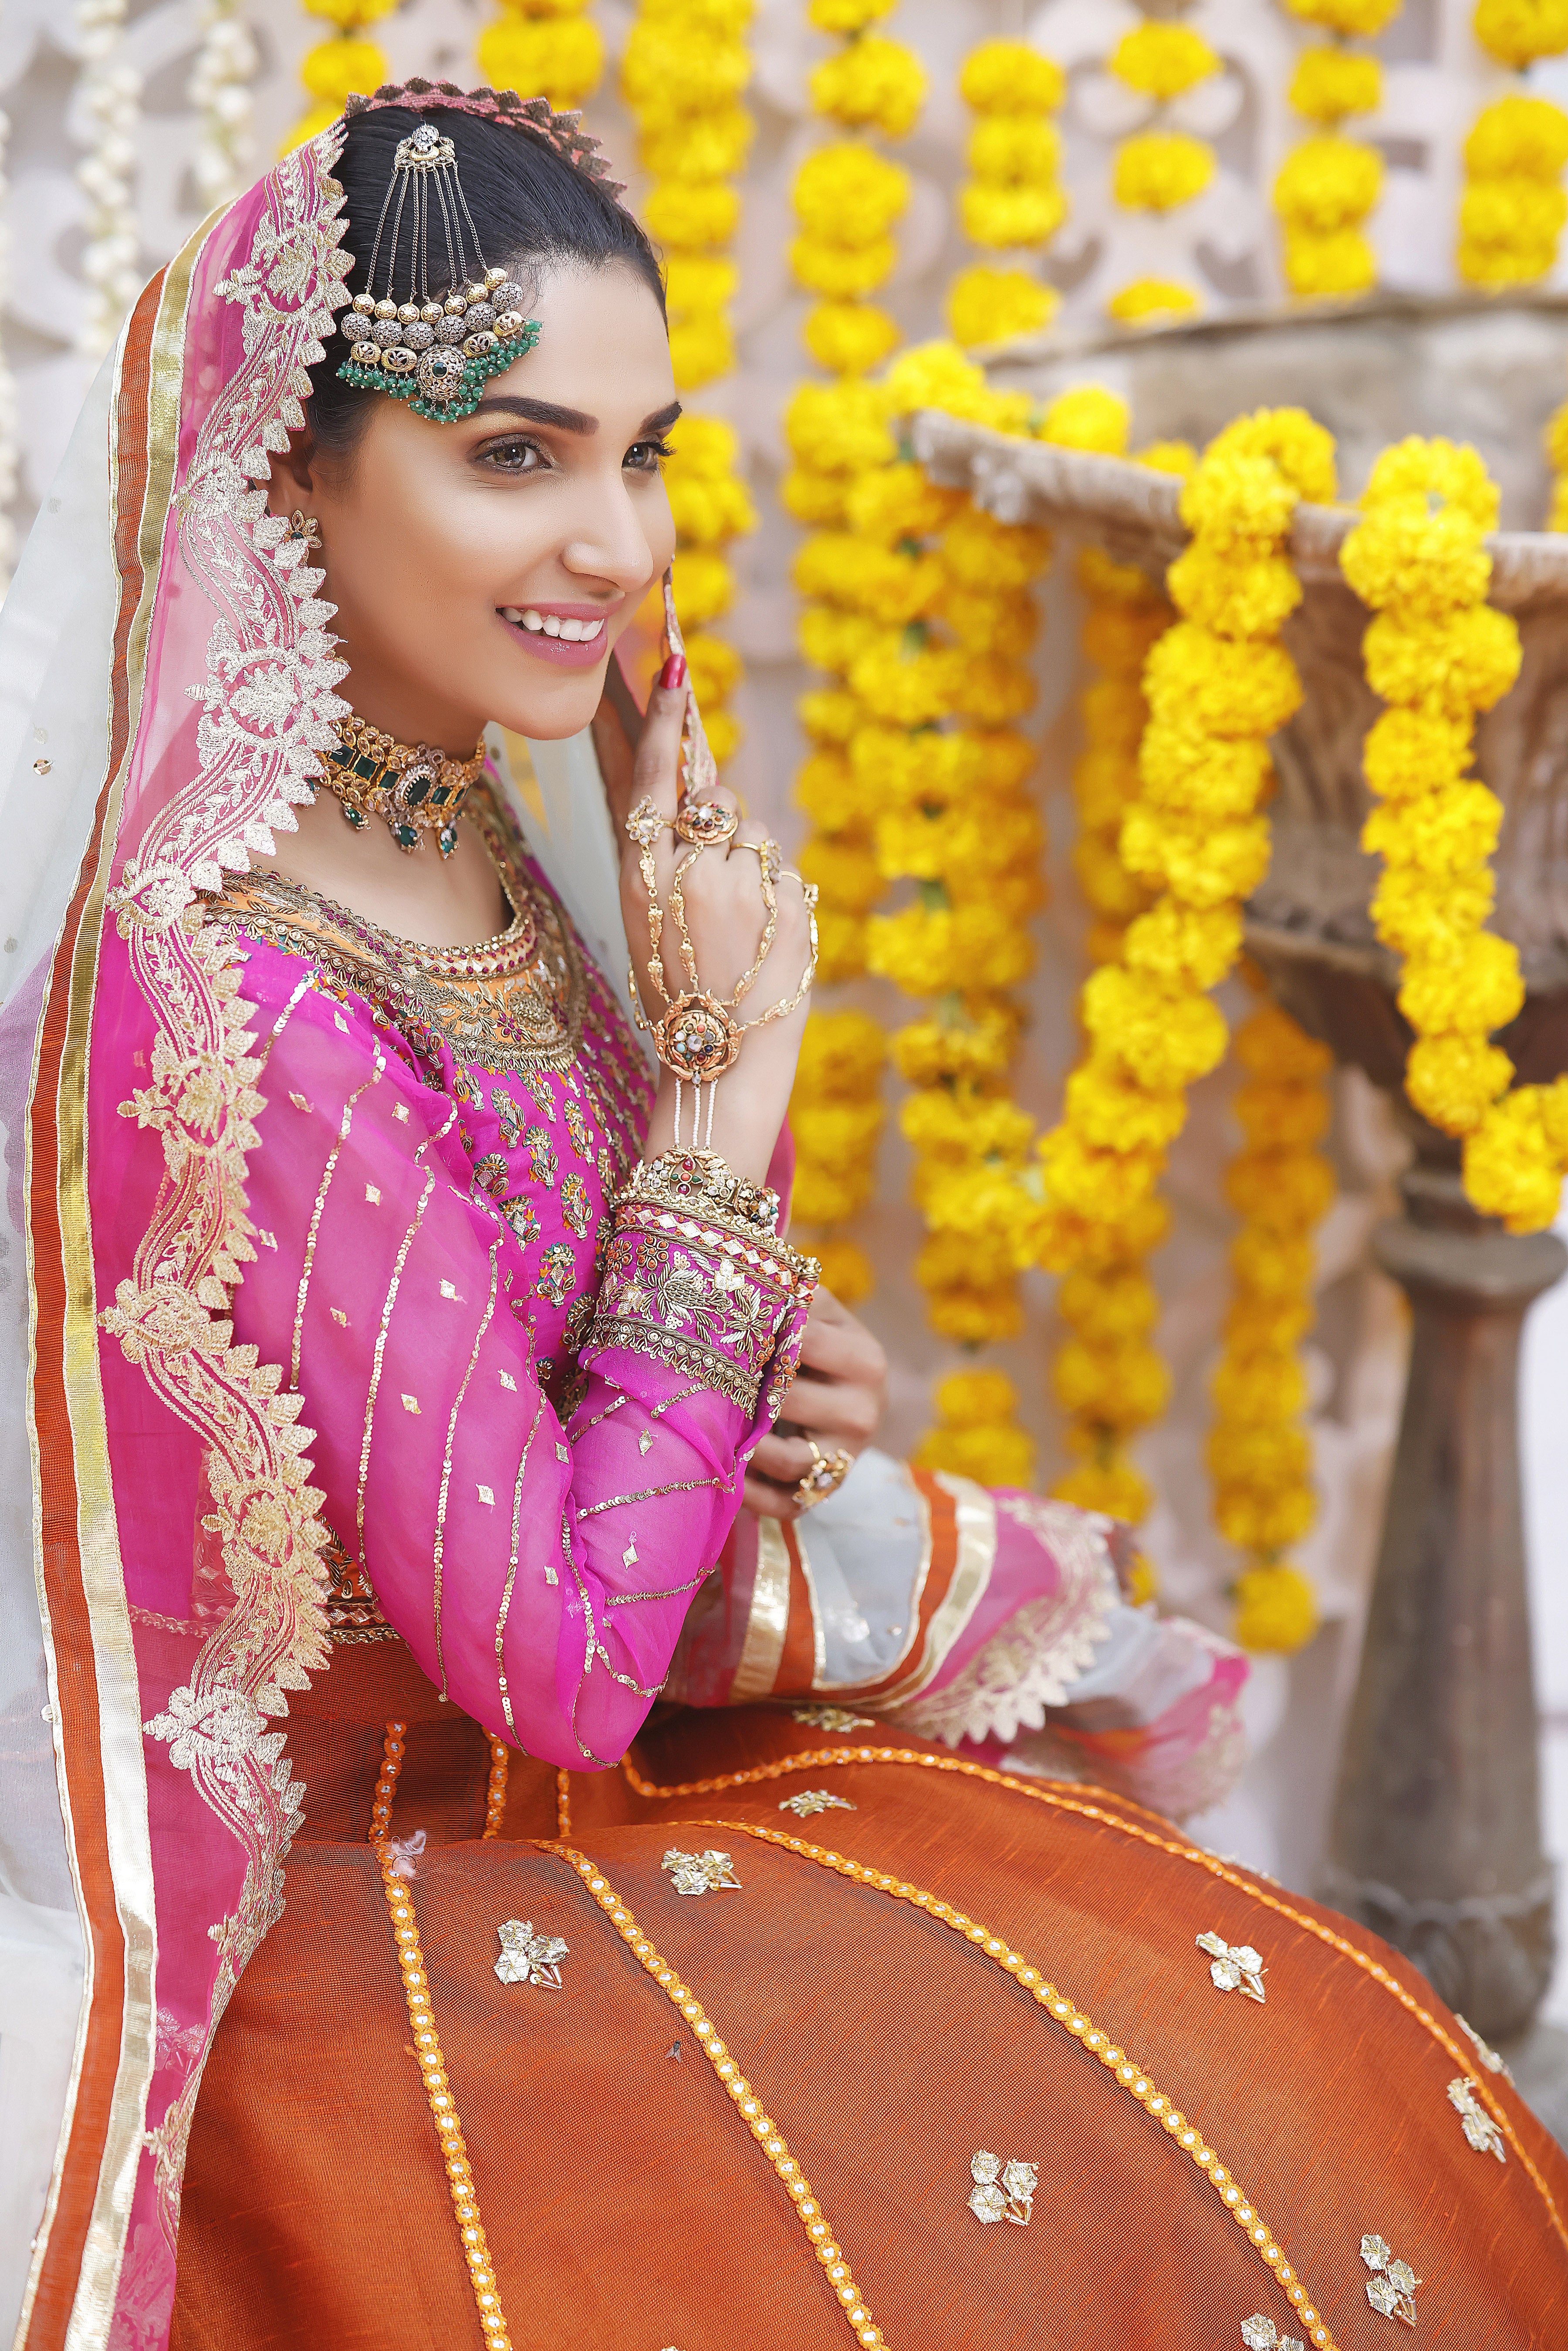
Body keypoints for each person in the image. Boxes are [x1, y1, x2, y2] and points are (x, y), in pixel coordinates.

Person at [0, 82, 1561, 2351]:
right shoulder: (227, 987)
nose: (619, 543)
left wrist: (771, 1373)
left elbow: (575, 1387)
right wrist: (726, 1097)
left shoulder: (471, 827)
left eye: (641, 454)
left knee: (1291, 2085)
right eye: (517, 454)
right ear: (291, 472)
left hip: (614, 1783)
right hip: (385, 1899)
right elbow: (550, 1646)